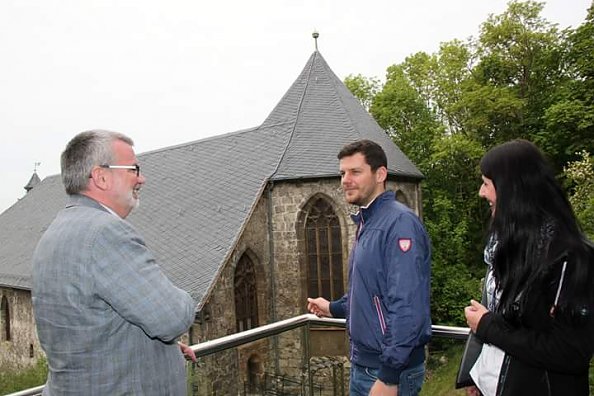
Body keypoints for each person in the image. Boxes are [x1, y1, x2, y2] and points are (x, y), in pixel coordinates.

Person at [32, 130, 197, 395]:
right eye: (134, 169)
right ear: (101, 177)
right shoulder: (105, 233)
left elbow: (87, 330)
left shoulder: (55, 233)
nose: (142, 178)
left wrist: (156, 349)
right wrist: (183, 299)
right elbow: (173, 317)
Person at [463, 139, 594, 395]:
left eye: (487, 184)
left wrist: (487, 326)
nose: (481, 192)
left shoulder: (571, 258)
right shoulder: (508, 248)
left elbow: (570, 352)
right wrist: (481, 374)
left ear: (512, 190)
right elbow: (512, 322)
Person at [307, 139, 432, 396]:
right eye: (342, 173)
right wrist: (332, 308)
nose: (345, 180)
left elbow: (407, 306)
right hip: (366, 366)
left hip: (387, 371)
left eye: (355, 172)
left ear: (380, 174)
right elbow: (372, 292)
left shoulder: (399, 224)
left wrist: (388, 376)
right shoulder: (369, 222)